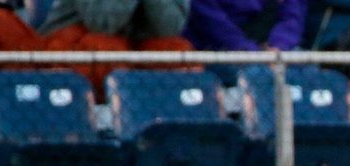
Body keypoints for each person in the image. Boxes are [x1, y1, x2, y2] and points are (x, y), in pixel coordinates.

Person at [39, 0, 193, 101]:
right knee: (106, 47)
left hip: (134, 45)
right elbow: (103, 23)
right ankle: (99, 117)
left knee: (173, 49)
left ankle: (171, 124)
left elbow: (170, 28)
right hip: (77, 41)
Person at [183, 0, 307, 51]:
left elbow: (292, 16)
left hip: (273, 46)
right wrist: (253, 52)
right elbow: (212, 22)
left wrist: (279, 46)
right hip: (218, 49)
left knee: (305, 69)